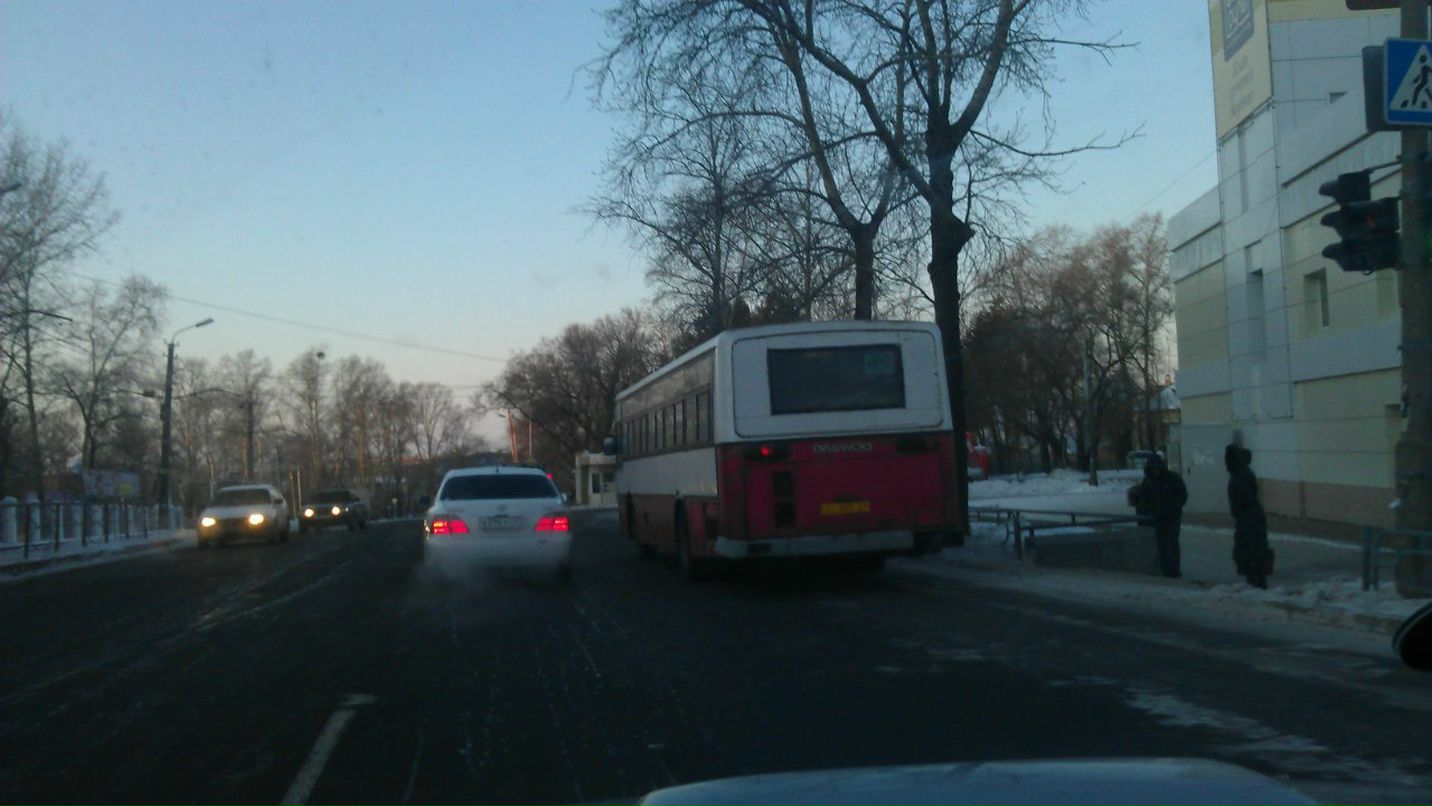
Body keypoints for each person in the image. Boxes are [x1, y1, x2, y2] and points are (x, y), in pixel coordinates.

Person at [1128, 454, 1188, 578]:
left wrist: (1173, 506)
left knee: (1171, 542)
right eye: (1152, 469)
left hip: (1171, 516)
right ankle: (1166, 569)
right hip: (1158, 518)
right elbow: (1142, 497)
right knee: (1161, 544)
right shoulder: (1148, 482)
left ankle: (1173, 570)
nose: (1155, 471)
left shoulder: (1172, 479)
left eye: (1156, 468)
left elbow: (1182, 495)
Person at [1225, 444, 1272, 589]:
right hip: (1251, 517)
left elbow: (1243, 498)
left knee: (1250, 550)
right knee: (1253, 549)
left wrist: (1239, 512)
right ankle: (1257, 580)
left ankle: (1256, 581)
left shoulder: (1240, 476)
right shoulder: (1244, 473)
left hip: (1248, 518)